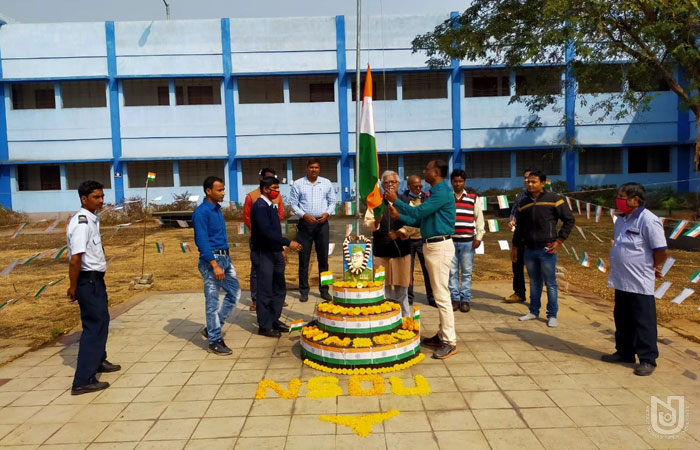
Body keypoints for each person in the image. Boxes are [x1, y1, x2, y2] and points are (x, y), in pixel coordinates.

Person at [384, 160, 457, 360]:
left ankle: (449, 341)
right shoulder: (436, 191)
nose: (424, 172)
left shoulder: (441, 191)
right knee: (439, 292)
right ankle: (442, 334)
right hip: (432, 244)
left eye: (426, 169)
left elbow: (419, 212)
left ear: (436, 172)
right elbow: (419, 220)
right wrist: (399, 214)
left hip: (439, 246)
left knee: (441, 295)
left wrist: (396, 201)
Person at [604, 183, 667, 376]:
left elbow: (661, 250)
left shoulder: (648, 220)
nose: (618, 200)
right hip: (621, 279)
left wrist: (655, 267)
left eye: (622, 197)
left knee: (643, 321)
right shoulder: (621, 219)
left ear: (635, 200)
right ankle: (625, 352)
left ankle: (648, 359)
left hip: (640, 281)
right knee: (622, 318)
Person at [66, 180, 120, 395]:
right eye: (96, 197)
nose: (101, 200)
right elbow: (75, 259)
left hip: (95, 279)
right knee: (93, 327)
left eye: (102, 196)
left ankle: (99, 360)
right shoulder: (81, 223)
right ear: (84, 199)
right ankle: (82, 380)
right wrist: (73, 286)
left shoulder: (91, 219)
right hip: (87, 281)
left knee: (102, 320)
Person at [510, 169, 574, 328]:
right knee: (534, 282)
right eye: (528, 181)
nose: (530, 184)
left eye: (533, 182)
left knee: (550, 283)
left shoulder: (555, 199)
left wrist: (559, 241)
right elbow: (519, 228)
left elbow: (569, 220)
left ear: (543, 183)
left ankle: (552, 315)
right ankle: (533, 311)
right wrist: (515, 246)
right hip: (529, 249)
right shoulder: (523, 203)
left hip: (547, 249)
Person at [192, 176, 241, 355]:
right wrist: (214, 264)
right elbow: (201, 240)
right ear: (208, 191)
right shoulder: (201, 212)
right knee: (212, 301)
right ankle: (214, 340)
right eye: (219, 190)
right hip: (212, 261)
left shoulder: (217, 210)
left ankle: (213, 326)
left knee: (235, 292)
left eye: (223, 189)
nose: (223, 193)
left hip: (225, 258)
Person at [251, 177, 303, 337]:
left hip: (275, 252)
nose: (277, 191)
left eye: (278, 188)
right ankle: (264, 325)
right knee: (265, 289)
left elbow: (275, 233)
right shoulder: (259, 207)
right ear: (265, 189)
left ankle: (274, 319)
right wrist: (288, 242)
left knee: (279, 288)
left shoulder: (272, 206)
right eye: (275, 188)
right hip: (263, 252)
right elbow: (266, 233)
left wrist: (281, 248)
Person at [364, 170, 412, 317]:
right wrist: (376, 222)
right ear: (382, 185)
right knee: (384, 289)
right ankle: (387, 319)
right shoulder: (376, 202)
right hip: (381, 251)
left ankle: (405, 320)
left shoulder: (405, 201)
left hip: (401, 252)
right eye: (386, 182)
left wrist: (399, 233)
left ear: (398, 184)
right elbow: (367, 223)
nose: (390, 185)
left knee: (401, 290)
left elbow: (413, 223)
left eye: (393, 182)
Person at [289, 157, 337, 302]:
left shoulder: (326, 183)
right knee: (304, 258)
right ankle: (304, 290)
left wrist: (327, 213)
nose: (314, 170)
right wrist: (304, 215)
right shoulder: (298, 184)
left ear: (319, 168)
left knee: (324, 259)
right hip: (305, 225)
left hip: (322, 224)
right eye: (311, 167)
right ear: (306, 168)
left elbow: (332, 201)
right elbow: (293, 204)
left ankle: (325, 290)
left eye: (316, 167)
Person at [243, 167, 284, 312]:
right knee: (258, 271)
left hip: (274, 240)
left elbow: (280, 214)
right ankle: (256, 299)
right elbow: (247, 216)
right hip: (260, 241)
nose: (276, 189)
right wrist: (259, 231)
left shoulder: (277, 197)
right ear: (262, 181)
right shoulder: (252, 197)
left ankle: (273, 297)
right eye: (269, 179)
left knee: (274, 270)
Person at [449, 169, 485, 313]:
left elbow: (479, 219)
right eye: (455, 181)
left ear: (464, 182)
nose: (458, 184)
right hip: (450, 241)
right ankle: (454, 298)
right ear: (451, 182)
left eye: (460, 181)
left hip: (468, 242)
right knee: (451, 272)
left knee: (466, 272)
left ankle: (465, 299)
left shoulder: (473, 198)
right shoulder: (447, 198)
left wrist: (479, 237)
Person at [399, 175, 435, 307]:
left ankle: (431, 297)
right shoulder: (402, 199)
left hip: (423, 240)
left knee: (428, 270)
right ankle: (408, 298)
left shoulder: (427, 198)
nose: (418, 187)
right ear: (409, 186)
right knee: (408, 271)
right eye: (415, 186)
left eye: (420, 185)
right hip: (407, 241)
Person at [504, 168, 531, 303]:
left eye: (530, 178)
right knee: (517, 265)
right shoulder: (521, 196)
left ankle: (535, 297)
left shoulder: (545, 197)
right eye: (525, 178)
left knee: (534, 268)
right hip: (519, 236)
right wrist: (512, 220)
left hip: (535, 239)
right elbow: (514, 212)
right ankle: (519, 293)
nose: (527, 181)